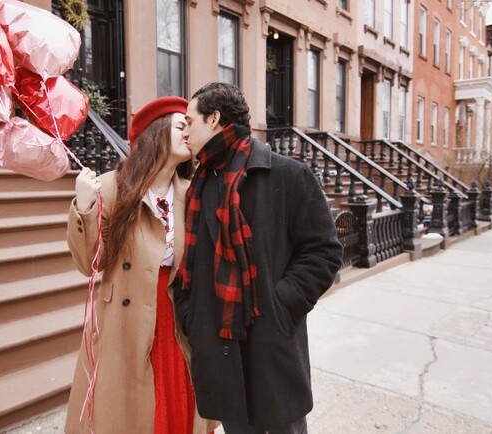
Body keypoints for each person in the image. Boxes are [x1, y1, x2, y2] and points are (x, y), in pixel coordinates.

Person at [174, 82, 343, 434]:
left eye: (190, 122)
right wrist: (191, 315)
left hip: (272, 347)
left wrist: (281, 304)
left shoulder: (288, 175)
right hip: (220, 350)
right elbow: (191, 262)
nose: (184, 131)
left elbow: (324, 252)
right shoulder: (200, 185)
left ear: (214, 119)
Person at [64, 96, 216, 434]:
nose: (188, 133)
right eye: (181, 126)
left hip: (175, 315)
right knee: (129, 414)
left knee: (177, 404)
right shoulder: (112, 187)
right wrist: (84, 208)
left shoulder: (191, 192)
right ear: (156, 132)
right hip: (125, 321)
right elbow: (90, 263)